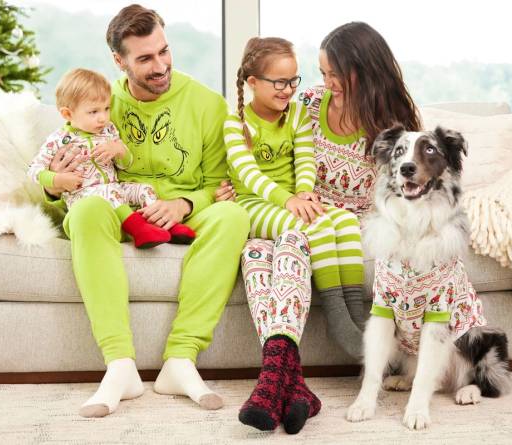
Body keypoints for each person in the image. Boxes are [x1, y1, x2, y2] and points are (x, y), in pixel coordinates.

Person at [43, 5, 250, 417]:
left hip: (183, 211)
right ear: (119, 62)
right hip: (116, 205)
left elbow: (218, 185)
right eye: (144, 59)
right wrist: (56, 183)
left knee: (233, 217)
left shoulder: (207, 104)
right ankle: (120, 365)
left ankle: (181, 360)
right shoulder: (99, 103)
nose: (160, 66)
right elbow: (50, 187)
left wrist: (184, 203)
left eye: (164, 51)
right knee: (85, 214)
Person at [215, 21, 421, 431]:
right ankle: (288, 383)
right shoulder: (303, 104)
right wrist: (225, 187)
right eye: (321, 73)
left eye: (335, 74)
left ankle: (278, 380)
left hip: (339, 221)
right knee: (259, 250)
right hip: (293, 210)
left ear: (363, 70)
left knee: (298, 237)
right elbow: (258, 157)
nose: (325, 84)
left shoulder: (394, 125)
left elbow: (411, 188)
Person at [225, 36, 366, 433]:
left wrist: (304, 190)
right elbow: (249, 175)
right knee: (314, 224)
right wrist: (289, 201)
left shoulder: (297, 115)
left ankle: (355, 312)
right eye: (278, 83)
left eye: (293, 82)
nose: (288, 91)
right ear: (252, 82)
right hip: (255, 205)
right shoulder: (236, 122)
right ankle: (339, 316)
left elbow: (305, 157)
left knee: (343, 220)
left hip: (290, 201)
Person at [28, 68, 195, 249]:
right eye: (93, 112)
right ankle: (140, 230)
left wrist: (119, 150)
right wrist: (58, 179)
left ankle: (168, 226)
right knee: (109, 193)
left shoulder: (109, 130)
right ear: (68, 114)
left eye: (106, 109)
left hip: (115, 187)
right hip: (85, 197)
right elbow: (34, 170)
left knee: (144, 189)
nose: (103, 118)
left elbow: (125, 164)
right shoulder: (58, 140)